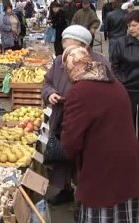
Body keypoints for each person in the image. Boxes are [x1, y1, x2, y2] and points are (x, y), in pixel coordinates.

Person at [61, 45, 139, 222]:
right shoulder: (116, 84)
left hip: (101, 170)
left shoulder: (79, 91)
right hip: (128, 167)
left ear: (72, 67)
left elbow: (70, 142)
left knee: (101, 212)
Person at [42, 25, 111, 206]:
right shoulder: (59, 61)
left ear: (82, 44)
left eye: (68, 43)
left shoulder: (100, 63)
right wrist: (50, 94)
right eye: (63, 43)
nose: (64, 48)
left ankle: (85, 198)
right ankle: (66, 190)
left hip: (88, 121)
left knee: (84, 161)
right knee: (62, 157)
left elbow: (107, 93)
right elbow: (47, 83)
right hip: (62, 117)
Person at [110, 10, 139, 138]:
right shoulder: (121, 43)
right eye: (129, 26)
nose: (130, 29)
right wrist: (121, 82)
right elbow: (114, 66)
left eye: (134, 25)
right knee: (128, 125)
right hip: (128, 89)